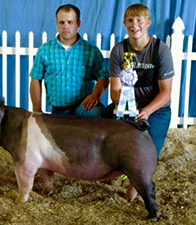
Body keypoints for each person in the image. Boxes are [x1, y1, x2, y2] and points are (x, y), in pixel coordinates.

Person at [105, 3, 174, 157]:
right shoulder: (118, 50)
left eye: (139, 20)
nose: (134, 25)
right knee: (106, 138)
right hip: (127, 108)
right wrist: (127, 108)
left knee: (147, 154)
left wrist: (147, 111)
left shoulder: (161, 50)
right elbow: (115, 91)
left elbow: (166, 93)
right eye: (130, 20)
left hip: (156, 110)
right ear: (124, 24)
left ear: (148, 23)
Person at [29, 4, 109, 118]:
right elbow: (35, 79)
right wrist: (36, 110)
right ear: (56, 24)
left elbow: (103, 77)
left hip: (84, 106)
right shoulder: (45, 50)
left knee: (97, 114)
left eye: (70, 22)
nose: (65, 26)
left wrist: (95, 95)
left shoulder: (91, 51)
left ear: (78, 24)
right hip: (58, 109)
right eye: (61, 22)